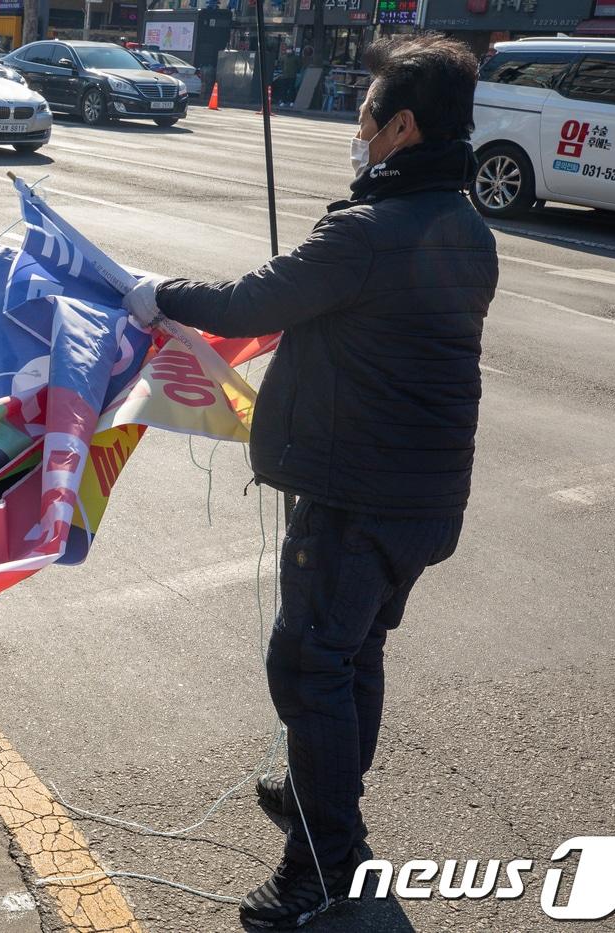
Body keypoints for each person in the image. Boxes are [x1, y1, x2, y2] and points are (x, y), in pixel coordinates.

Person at [123, 34, 497, 930]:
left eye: (368, 113)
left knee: (307, 664)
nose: (357, 126)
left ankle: (325, 868)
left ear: (401, 126)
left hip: (355, 500)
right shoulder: (464, 222)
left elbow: (252, 301)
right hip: (423, 500)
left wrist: (153, 293)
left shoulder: (370, 229)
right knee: (350, 656)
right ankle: (315, 803)